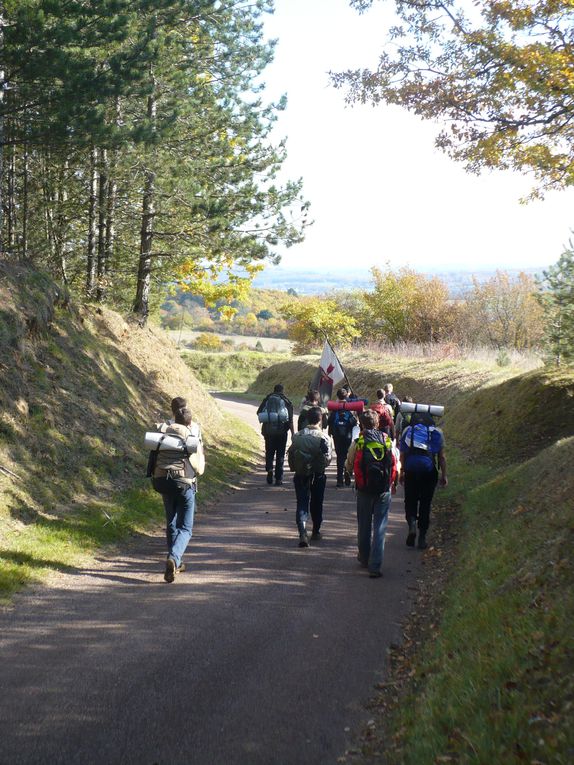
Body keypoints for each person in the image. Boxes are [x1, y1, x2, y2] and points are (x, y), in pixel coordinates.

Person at [151, 405, 205, 583]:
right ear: (189, 422)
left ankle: (176, 562)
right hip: (184, 484)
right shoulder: (191, 435)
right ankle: (174, 558)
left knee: (171, 523)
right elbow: (198, 467)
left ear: (174, 419)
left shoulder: (164, 432)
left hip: (163, 482)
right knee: (186, 528)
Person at [345, 409, 397, 578]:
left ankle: (364, 557)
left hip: (364, 489)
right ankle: (375, 566)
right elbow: (396, 465)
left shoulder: (358, 442)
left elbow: (349, 464)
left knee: (364, 524)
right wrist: (392, 482)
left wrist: (350, 473)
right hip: (383, 489)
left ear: (361, 424)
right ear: (377, 424)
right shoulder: (387, 441)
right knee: (380, 527)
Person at [399, 411, 447, 550]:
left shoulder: (408, 430)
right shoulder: (437, 432)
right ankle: (422, 538)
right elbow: (442, 457)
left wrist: (402, 472)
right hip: (429, 471)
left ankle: (412, 524)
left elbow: (402, 454)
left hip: (411, 471)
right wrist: (444, 475)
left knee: (410, 501)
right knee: (426, 503)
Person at [287, 407, 331, 547]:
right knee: (317, 502)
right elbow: (328, 459)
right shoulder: (324, 438)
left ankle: (302, 532)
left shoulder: (297, 436)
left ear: (307, 419)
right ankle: (316, 531)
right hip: (318, 474)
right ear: (321, 420)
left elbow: (292, 454)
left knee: (302, 502)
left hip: (300, 474)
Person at [257, 383, 294, 486]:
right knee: (280, 454)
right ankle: (278, 478)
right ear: (282, 390)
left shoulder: (267, 399)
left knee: (269, 451)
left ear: (274, 390)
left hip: (268, 432)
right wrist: (293, 433)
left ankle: (269, 469)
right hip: (282, 432)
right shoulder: (286, 401)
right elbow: (290, 420)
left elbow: (259, 412)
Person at [328, 387, 358, 487]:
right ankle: (347, 473)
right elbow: (354, 423)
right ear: (347, 396)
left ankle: (339, 480)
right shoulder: (350, 408)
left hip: (336, 436)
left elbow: (330, 422)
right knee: (347, 455)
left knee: (339, 456)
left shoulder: (334, 408)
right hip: (347, 435)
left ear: (337, 396)